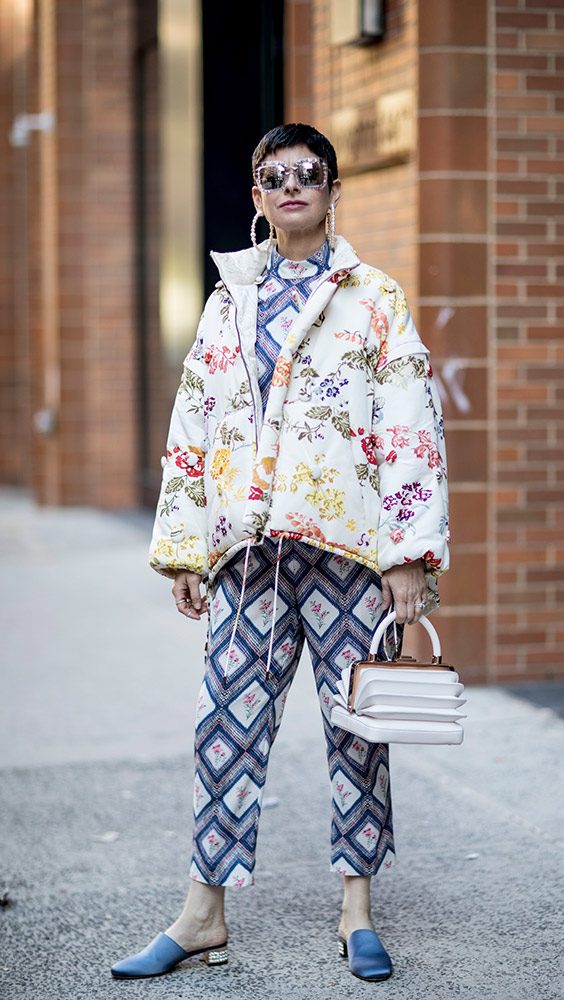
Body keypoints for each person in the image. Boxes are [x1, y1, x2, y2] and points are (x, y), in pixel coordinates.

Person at [111, 123, 450, 983]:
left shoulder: (375, 298)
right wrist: (186, 545)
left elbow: (410, 428)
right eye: (274, 175)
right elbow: (193, 428)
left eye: (309, 173)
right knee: (223, 725)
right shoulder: (228, 301)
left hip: (347, 557)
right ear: (255, 197)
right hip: (247, 558)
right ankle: (201, 915)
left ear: (334, 191)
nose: (292, 185)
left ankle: (358, 911)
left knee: (356, 731)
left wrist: (408, 553)